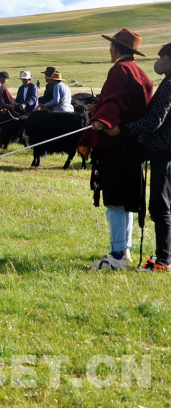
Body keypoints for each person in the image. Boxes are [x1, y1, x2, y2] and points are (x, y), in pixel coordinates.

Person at [81, 29, 153, 270]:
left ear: (115, 48)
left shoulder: (120, 70)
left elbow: (116, 102)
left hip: (116, 146)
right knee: (125, 201)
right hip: (131, 146)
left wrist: (103, 120)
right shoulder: (138, 72)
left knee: (114, 202)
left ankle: (118, 256)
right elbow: (124, 104)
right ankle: (124, 251)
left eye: (111, 45)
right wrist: (99, 108)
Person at [106, 43, 171, 271]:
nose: (159, 61)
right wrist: (145, 134)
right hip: (162, 148)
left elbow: (155, 120)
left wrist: (122, 129)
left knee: (161, 206)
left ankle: (163, 261)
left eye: (163, 57)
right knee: (162, 205)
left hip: (165, 151)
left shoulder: (170, 84)